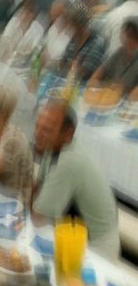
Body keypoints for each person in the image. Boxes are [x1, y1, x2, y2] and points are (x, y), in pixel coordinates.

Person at [31, 100, 120, 259]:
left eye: (46, 129)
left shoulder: (68, 162)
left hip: (96, 247)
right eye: (37, 126)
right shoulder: (52, 147)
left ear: (67, 134)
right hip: (71, 233)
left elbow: (38, 218)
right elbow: (37, 189)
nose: (37, 134)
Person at [87, 17, 138, 96]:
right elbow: (100, 72)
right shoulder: (121, 51)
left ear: (129, 33)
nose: (120, 34)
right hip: (111, 96)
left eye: (122, 31)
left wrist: (124, 90)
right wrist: (97, 83)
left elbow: (133, 96)